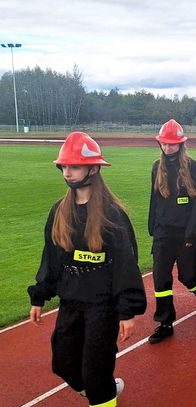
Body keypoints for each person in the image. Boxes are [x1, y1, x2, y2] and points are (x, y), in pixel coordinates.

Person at [28, 132, 147, 407]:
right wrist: (39, 296)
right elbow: (52, 258)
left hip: (102, 307)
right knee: (64, 364)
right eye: (64, 167)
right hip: (71, 303)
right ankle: (103, 390)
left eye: (75, 166)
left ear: (93, 168)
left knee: (95, 372)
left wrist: (126, 311)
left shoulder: (112, 215)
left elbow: (126, 265)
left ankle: (101, 392)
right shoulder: (59, 211)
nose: (68, 173)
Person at [147, 119, 196, 344]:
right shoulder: (157, 167)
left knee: (188, 276)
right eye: (165, 144)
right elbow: (154, 199)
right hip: (162, 232)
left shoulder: (194, 167)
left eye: (172, 144)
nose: (168, 148)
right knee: (160, 278)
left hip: (186, 232)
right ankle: (165, 322)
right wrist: (152, 225)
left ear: (181, 144)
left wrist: (191, 232)